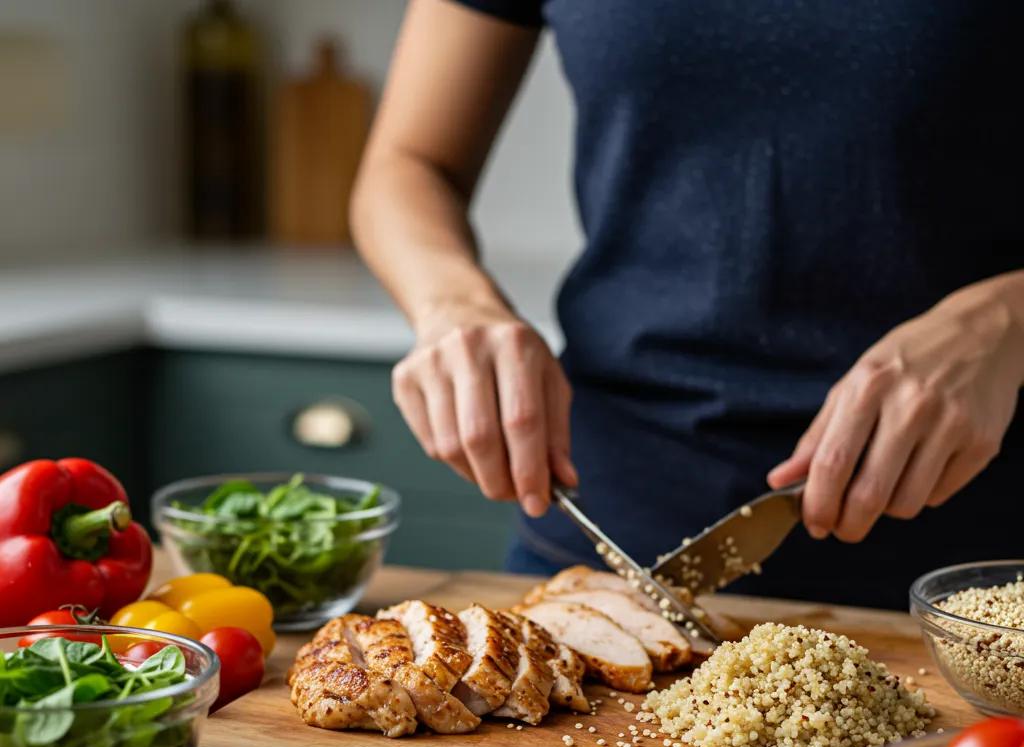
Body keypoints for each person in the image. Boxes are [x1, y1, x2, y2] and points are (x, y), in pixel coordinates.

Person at [351, 0, 1024, 608]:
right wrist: (453, 305)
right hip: (605, 538)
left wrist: (1005, 317)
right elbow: (407, 164)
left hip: (982, 577)